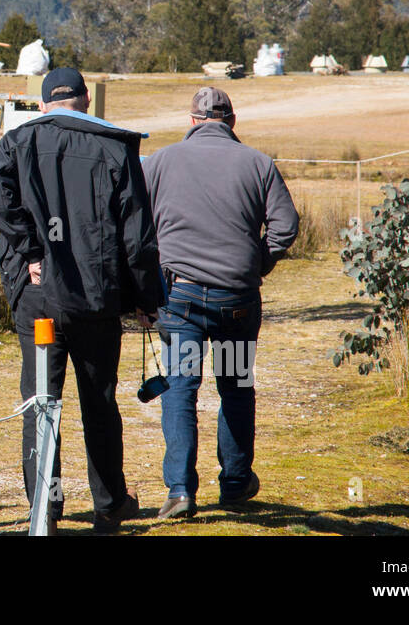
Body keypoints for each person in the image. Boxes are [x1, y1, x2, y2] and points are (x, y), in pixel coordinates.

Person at [0, 67, 163, 534]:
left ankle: (45, 509)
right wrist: (146, 298)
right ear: (86, 100)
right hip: (97, 301)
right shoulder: (117, 147)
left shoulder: (17, 142)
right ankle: (108, 506)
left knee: (41, 402)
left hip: (36, 298)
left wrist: (30, 248)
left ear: (42, 106)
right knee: (99, 403)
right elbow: (137, 238)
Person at [141, 86, 298, 520]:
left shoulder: (160, 162)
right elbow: (285, 227)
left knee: (180, 390)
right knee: (233, 386)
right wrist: (255, 266)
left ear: (191, 121)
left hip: (180, 295)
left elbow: (138, 229)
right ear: (232, 121)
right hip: (237, 299)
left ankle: (179, 490)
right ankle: (233, 481)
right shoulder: (259, 163)